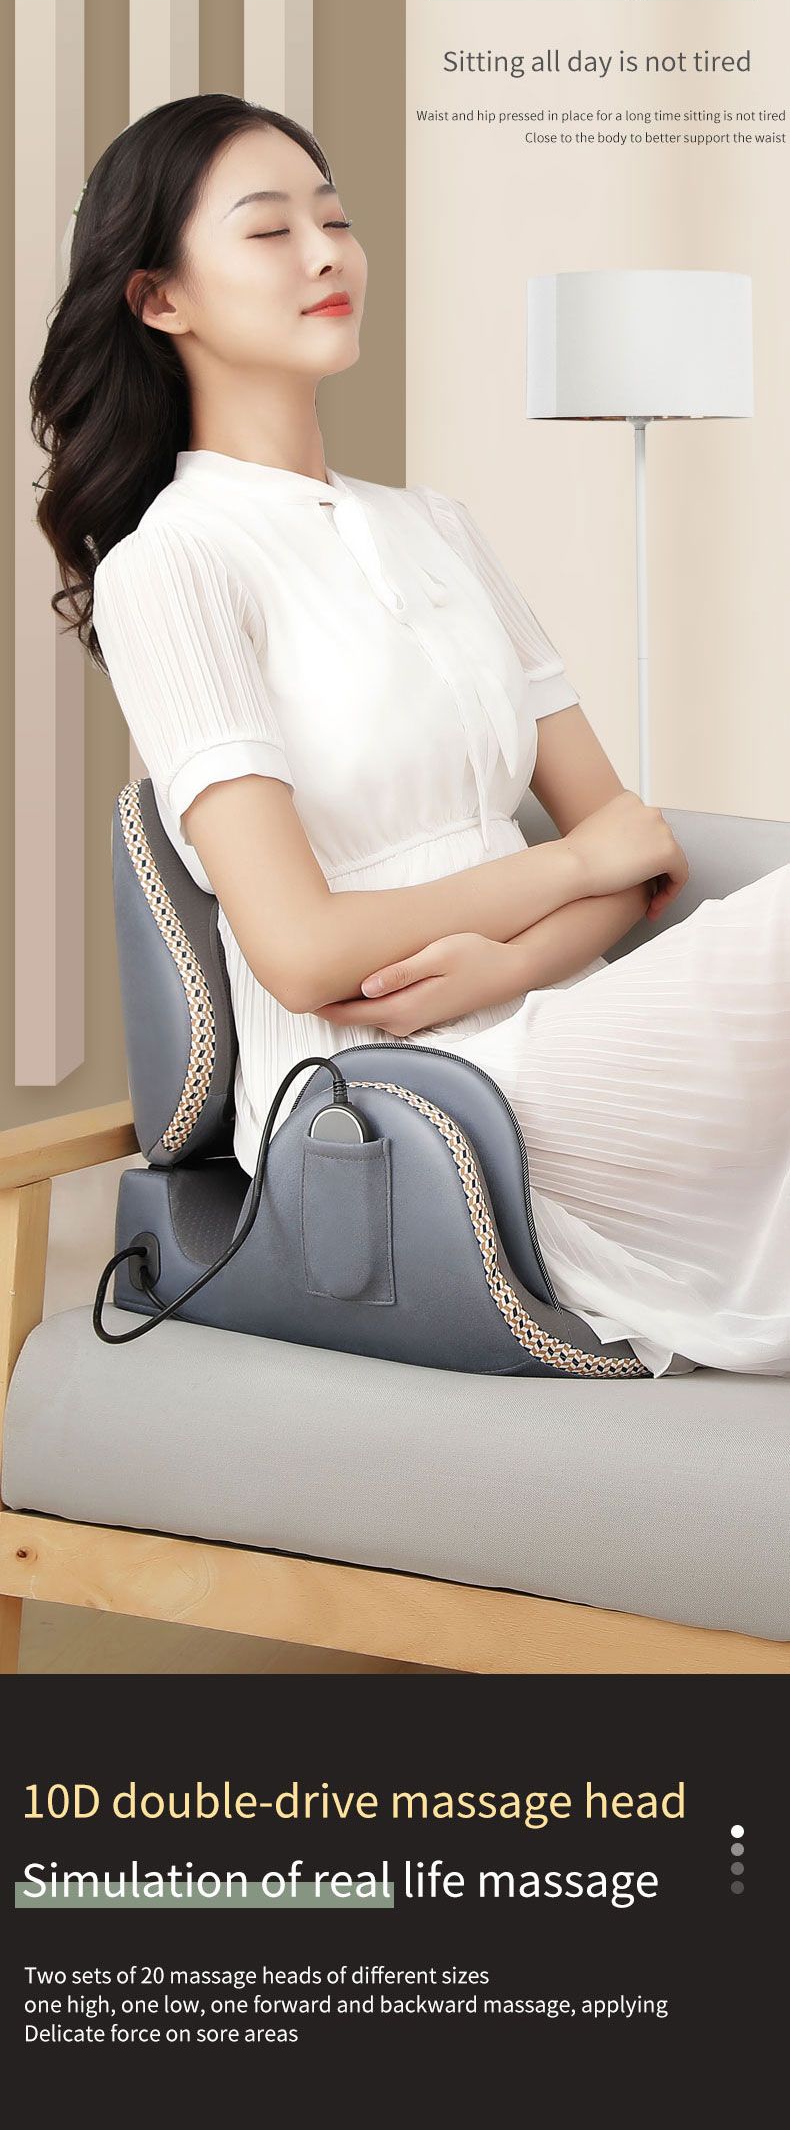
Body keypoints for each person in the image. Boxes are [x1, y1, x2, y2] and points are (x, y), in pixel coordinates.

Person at [31, 94, 790, 1380]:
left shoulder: (438, 527)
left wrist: (513, 958)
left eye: (334, 219)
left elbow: (640, 850)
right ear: (160, 299)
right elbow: (302, 949)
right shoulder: (172, 566)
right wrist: (567, 867)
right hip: (399, 1110)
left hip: (560, 1030)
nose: (325, 253)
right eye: (269, 231)